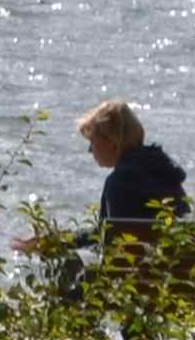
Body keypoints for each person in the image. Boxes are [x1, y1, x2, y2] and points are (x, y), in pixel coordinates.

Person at [79, 97, 188, 237]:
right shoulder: (166, 173)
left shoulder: (118, 182)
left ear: (112, 143)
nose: (90, 150)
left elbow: (112, 240)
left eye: (93, 142)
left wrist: (64, 241)